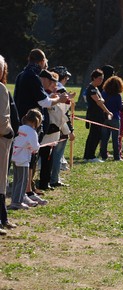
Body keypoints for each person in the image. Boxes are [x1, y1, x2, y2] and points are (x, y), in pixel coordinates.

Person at [13, 49, 68, 196]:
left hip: (22, 121)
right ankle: (27, 191)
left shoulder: (21, 75)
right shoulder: (33, 76)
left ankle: (28, 189)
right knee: (29, 158)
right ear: (41, 61)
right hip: (31, 123)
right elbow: (44, 102)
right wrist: (58, 99)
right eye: (45, 61)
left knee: (28, 158)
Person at [9, 109, 43, 210]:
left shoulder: (19, 128)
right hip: (23, 159)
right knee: (23, 181)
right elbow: (35, 147)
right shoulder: (32, 132)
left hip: (14, 157)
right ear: (36, 121)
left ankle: (15, 199)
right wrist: (36, 147)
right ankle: (17, 202)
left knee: (16, 180)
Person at [49, 66, 75, 187]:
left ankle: (49, 177)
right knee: (57, 154)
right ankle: (54, 178)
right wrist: (69, 131)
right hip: (59, 126)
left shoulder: (51, 88)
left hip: (50, 125)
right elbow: (63, 113)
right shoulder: (61, 90)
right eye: (66, 78)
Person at [0, 54, 16, 233]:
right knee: (0, 180)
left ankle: (3, 217)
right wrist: (9, 132)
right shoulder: (0, 89)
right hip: (1, 141)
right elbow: (2, 120)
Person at [83, 69, 112, 162]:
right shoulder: (91, 88)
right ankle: (90, 156)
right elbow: (99, 102)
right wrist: (108, 112)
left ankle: (89, 155)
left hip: (98, 115)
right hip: (94, 115)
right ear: (94, 78)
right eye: (99, 78)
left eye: (102, 79)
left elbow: (101, 100)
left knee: (96, 135)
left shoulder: (96, 89)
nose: (101, 81)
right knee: (94, 135)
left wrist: (101, 100)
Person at [100, 75, 123, 161]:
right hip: (115, 118)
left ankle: (103, 155)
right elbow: (119, 107)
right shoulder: (118, 96)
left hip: (105, 118)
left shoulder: (103, 93)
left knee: (104, 138)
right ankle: (116, 157)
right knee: (115, 139)